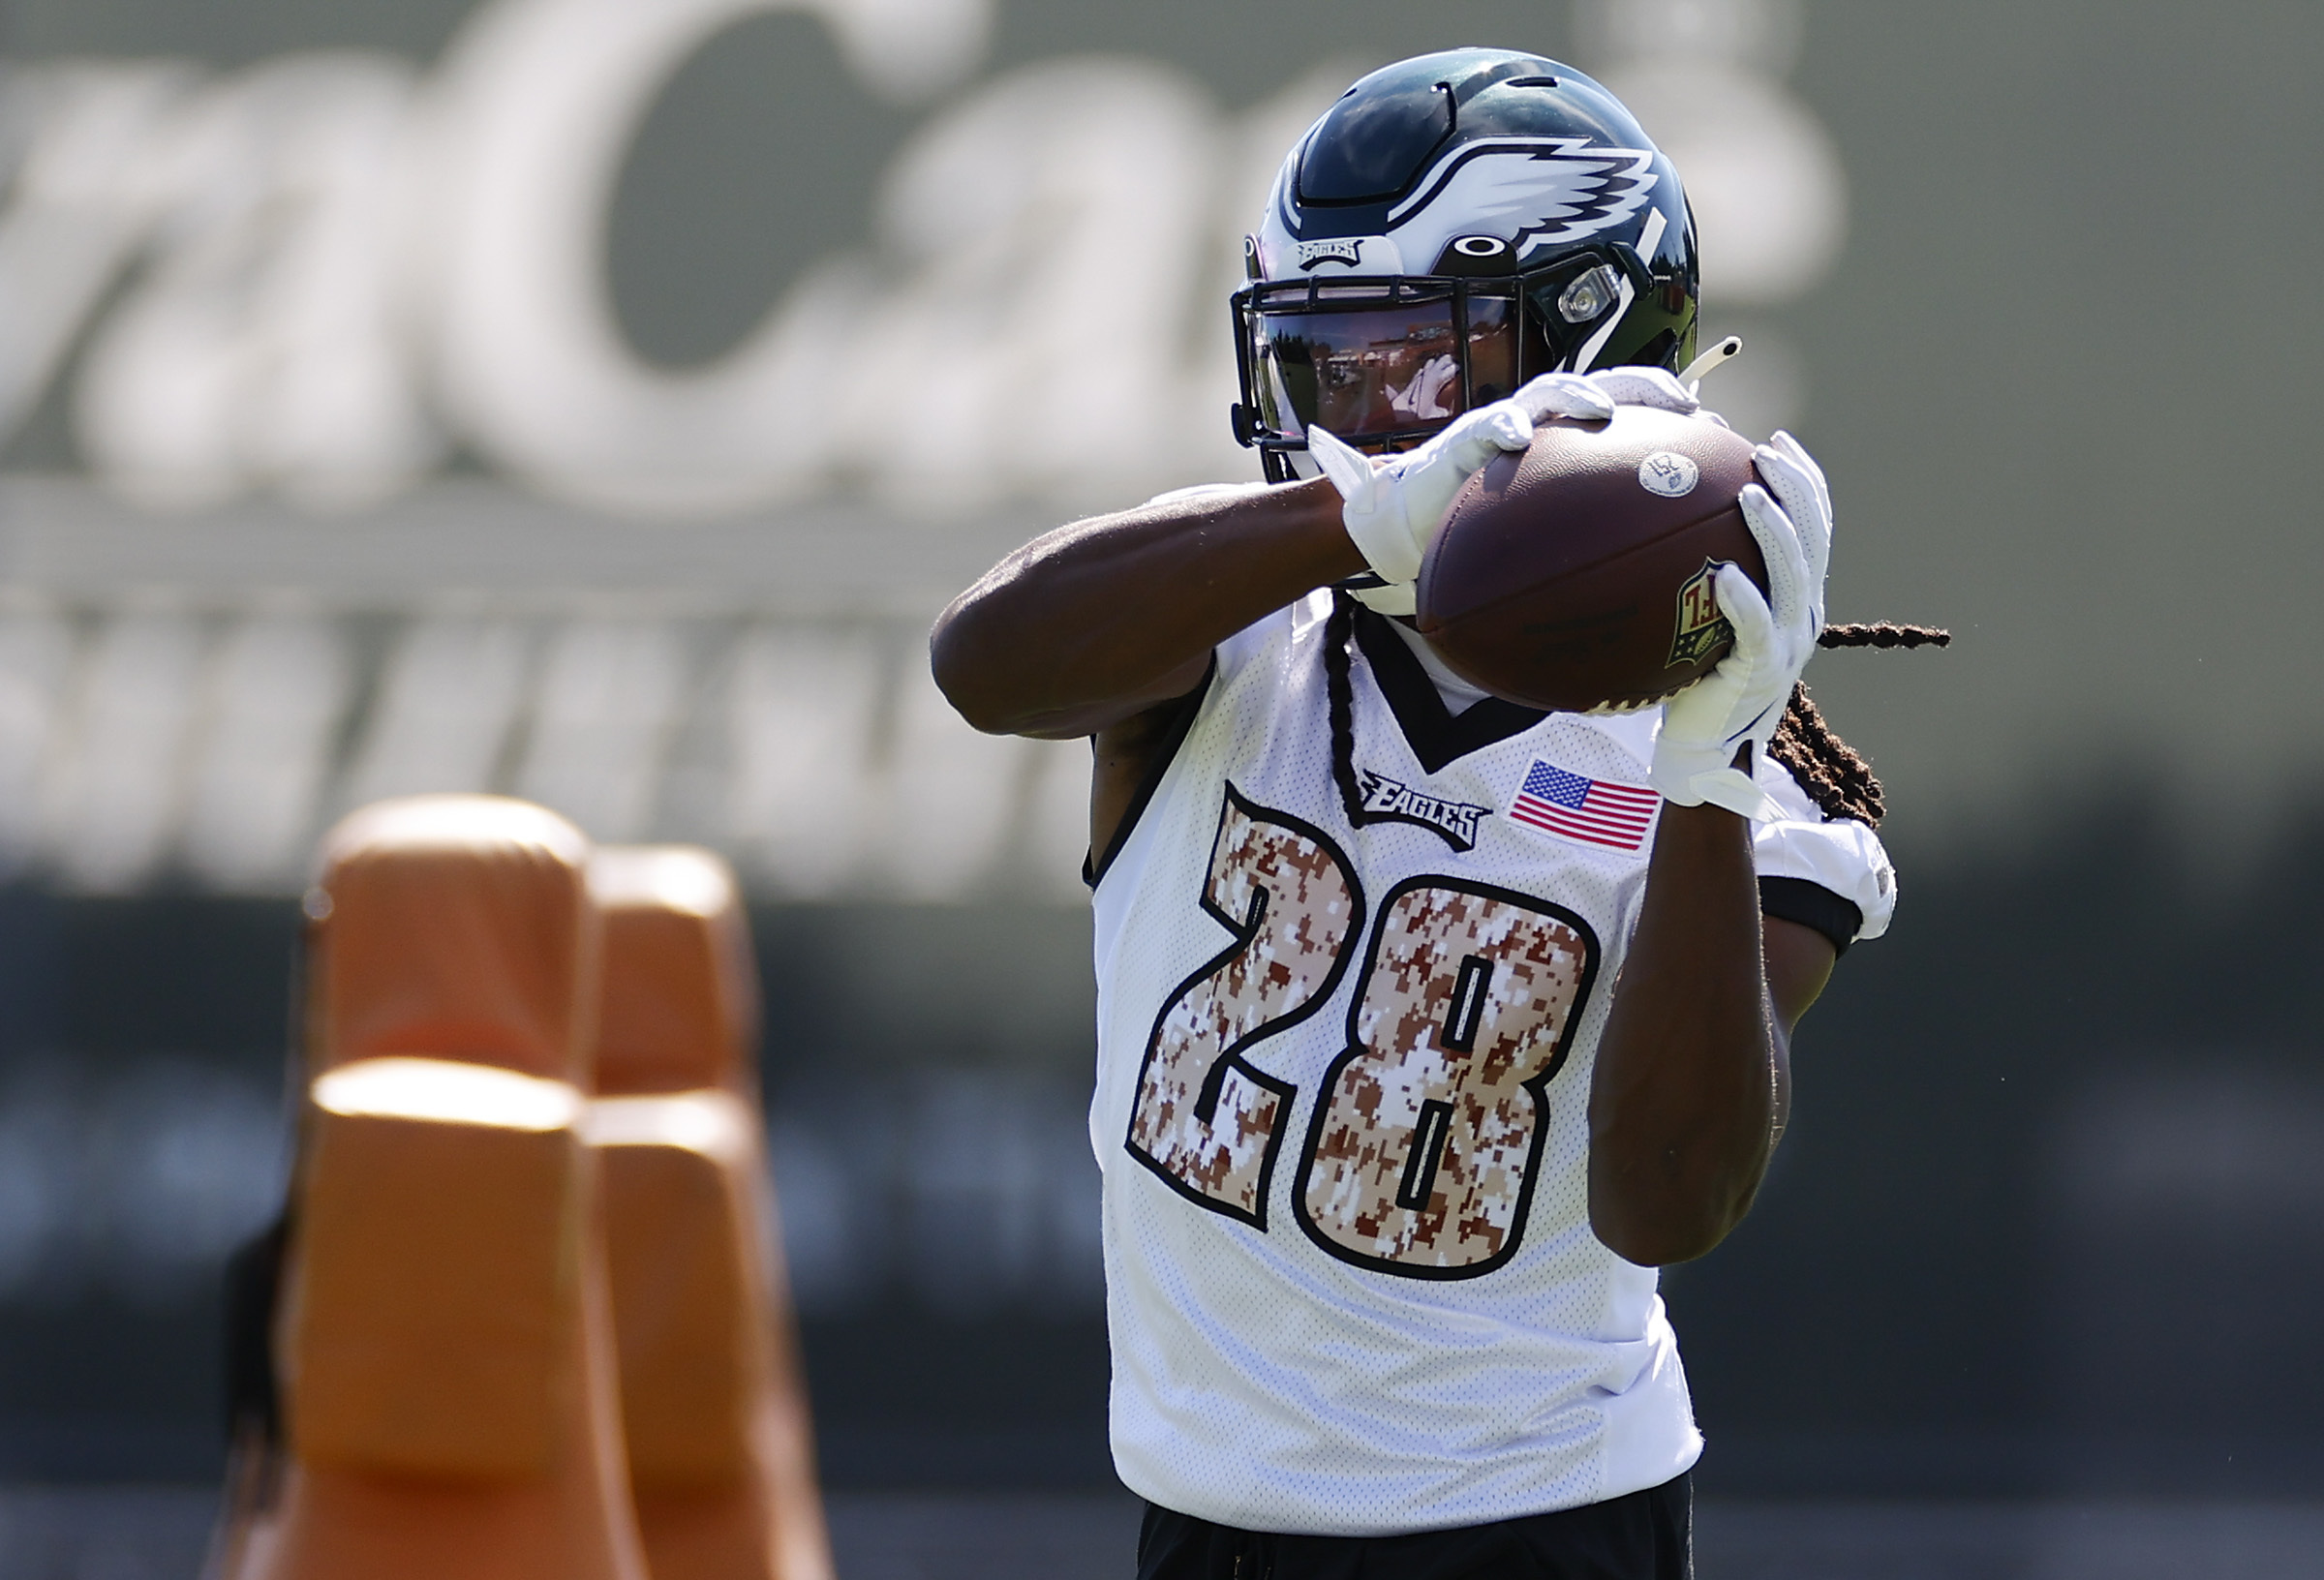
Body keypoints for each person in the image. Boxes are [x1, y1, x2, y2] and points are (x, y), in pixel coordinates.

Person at [933, 49, 1918, 1580]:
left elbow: (1669, 1196)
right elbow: (981, 664)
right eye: (1330, 364)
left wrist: (1705, 779)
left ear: (1586, 346)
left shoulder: (1748, 763)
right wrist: (1352, 519)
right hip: (1204, 1518)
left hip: (1536, 1526)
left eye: (1415, 360)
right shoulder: (1239, 621)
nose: (1365, 412)